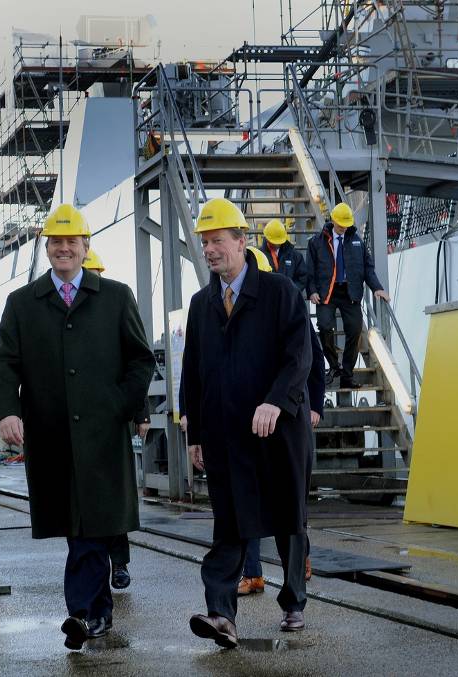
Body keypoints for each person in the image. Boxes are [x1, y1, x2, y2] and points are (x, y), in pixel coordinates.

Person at [0, 204, 155, 651]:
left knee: (91, 526)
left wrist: (122, 405)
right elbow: (4, 363)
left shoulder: (116, 297)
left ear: (85, 247)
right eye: (56, 242)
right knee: (80, 525)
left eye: (72, 242)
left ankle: (84, 613)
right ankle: (94, 612)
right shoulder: (23, 304)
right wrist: (7, 411)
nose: (64, 248)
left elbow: (142, 359)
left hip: (102, 436)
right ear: (47, 249)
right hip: (52, 437)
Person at [183, 198, 313, 649]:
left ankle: (293, 600)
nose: (210, 249)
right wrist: (195, 435)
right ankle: (221, 615)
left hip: (278, 433)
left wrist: (277, 402)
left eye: (218, 240)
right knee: (231, 524)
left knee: (287, 519)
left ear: (241, 241)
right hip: (227, 436)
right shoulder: (202, 305)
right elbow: (192, 373)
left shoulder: (279, 292)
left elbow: (300, 356)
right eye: (205, 242)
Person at [238, 247, 325, 597]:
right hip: (249, 425)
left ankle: (298, 558)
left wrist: (314, 406)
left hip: (289, 419)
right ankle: (253, 573)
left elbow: (312, 361)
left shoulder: (286, 307)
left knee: (290, 505)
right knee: (248, 504)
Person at [82, 248, 150, 591]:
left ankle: (119, 564)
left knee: (115, 497)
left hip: (114, 420)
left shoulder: (115, 304)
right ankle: (99, 567)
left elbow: (134, 365)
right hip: (87, 422)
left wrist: (138, 412)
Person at [306, 203, 390, 388]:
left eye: (346, 224)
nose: (344, 227)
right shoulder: (316, 242)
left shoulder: (357, 242)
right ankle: (334, 366)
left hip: (350, 293)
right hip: (326, 293)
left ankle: (347, 374)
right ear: (333, 220)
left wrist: (377, 287)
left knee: (354, 330)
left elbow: (368, 268)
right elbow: (309, 270)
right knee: (324, 326)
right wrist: (311, 291)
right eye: (341, 223)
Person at [259, 219, 308, 293]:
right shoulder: (259, 255)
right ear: (267, 239)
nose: (276, 244)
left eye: (278, 242)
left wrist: (292, 291)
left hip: (288, 300)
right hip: (267, 300)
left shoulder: (294, 255)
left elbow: (302, 277)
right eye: (274, 242)